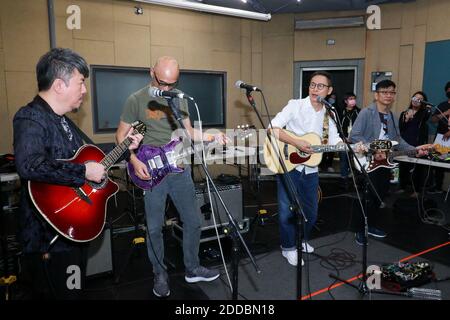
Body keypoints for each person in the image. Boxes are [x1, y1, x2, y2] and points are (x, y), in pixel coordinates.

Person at [13, 48, 142, 299]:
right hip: (47, 237)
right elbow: (29, 164)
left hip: (72, 230)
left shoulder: (63, 120)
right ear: (60, 85)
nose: (84, 90)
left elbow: (92, 157)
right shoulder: (30, 117)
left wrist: (126, 148)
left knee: (74, 291)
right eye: (81, 82)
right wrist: (83, 171)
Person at [116, 56, 225, 298]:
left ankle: (192, 267)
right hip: (151, 170)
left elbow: (189, 132)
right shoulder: (136, 100)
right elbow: (121, 135)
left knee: (193, 221)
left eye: (171, 84)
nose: (166, 89)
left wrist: (213, 136)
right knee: (154, 227)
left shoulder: (178, 99)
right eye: (162, 82)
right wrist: (132, 160)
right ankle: (159, 272)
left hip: (178, 168)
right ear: (151, 73)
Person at [269, 71, 343, 266]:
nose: (314, 89)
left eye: (320, 86)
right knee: (286, 212)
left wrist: (353, 146)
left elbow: (335, 141)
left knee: (311, 212)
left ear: (329, 90)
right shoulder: (295, 105)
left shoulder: (330, 113)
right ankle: (288, 248)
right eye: (312, 85)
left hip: (311, 169)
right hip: (288, 164)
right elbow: (272, 127)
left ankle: (301, 240)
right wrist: (296, 142)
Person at [349, 80, 429, 245]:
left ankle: (370, 225)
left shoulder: (392, 116)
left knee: (379, 195)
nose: (388, 95)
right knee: (367, 197)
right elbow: (354, 136)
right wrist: (373, 149)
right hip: (368, 161)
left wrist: (415, 149)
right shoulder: (366, 113)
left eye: (391, 92)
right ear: (376, 95)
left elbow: (397, 140)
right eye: (384, 92)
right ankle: (359, 229)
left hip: (385, 162)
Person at [398, 91, 431, 196]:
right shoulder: (404, 113)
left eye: (419, 99)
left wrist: (425, 108)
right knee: (403, 166)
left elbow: (426, 116)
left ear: (422, 102)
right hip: (405, 143)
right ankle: (403, 186)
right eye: (414, 98)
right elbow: (400, 128)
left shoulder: (423, 113)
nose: (416, 100)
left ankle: (417, 190)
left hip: (418, 143)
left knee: (418, 167)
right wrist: (407, 118)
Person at [429, 81, 450, 194]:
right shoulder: (442, 105)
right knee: (437, 163)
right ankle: (437, 187)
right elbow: (433, 120)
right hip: (441, 139)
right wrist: (445, 113)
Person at [338, 92, 360, 183]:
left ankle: (358, 179)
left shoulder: (359, 112)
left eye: (354, 99)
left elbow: (361, 126)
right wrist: (342, 137)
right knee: (344, 159)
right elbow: (337, 126)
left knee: (357, 160)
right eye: (350, 99)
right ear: (346, 101)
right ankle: (344, 179)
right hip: (344, 140)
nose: (353, 101)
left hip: (356, 140)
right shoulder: (340, 112)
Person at [319, 92, 338, 173]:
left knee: (330, 151)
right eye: (331, 98)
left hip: (330, 134)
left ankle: (329, 165)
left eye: (334, 98)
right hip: (321, 134)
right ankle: (320, 166)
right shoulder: (320, 111)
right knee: (322, 151)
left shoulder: (333, 112)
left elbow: (335, 123)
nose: (332, 100)